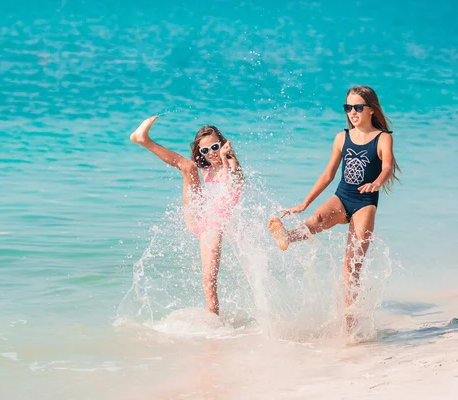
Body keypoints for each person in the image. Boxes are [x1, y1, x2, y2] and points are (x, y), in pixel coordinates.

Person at [267, 85, 400, 329]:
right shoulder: (342, 137)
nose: (352, 112)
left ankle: (351, 322)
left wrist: (377, 183)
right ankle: (286, 236)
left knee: (352, 264)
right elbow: (328, 174)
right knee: (315, 220)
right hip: (342, 196)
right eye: (348, 107)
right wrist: (304, 203)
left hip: (365, 203)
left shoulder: (383, 138)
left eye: (358, 107)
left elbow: (388, 167)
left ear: (371, 109)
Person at [130, 116, 243, 315]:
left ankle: (213, 321)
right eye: (205, 151)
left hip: (214, 225)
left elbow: (233, 183)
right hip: (201, 217)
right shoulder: (207, 168)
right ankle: (143, 140)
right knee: (189, 167)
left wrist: (227, 158)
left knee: (209, 279)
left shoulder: (232, 165)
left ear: (223, 144)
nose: (211, 153)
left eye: (215, 147)